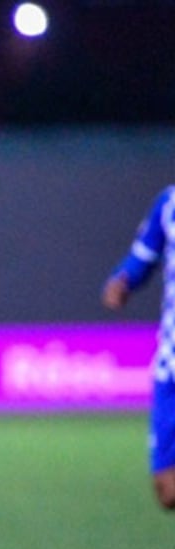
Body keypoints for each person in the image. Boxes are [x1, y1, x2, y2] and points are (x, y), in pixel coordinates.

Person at [101, 186, 175, 512]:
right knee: (167, 491)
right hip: (171, 363)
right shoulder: (170, 204)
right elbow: (143, 255)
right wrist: (122, 281)